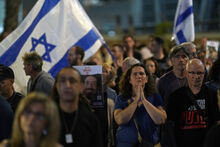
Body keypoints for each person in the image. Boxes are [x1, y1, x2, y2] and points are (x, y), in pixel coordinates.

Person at [166, 59, 220, 147]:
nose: (196, 76)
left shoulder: (212, 95)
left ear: (204, 74)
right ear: (186, 74)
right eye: (192, 73)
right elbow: (170, 125)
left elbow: (216, 122)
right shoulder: (176, 96)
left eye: (199, 73)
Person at [114, 63, 166, 147]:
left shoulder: (155, 97)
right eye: (135, 74)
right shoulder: (121, 98)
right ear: (129, 80)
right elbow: (120, 120)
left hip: (150, 144)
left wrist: (144, 100)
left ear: (147, 79)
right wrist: (135, 101)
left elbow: (161, 120)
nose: (138, 76)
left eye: (141, 73)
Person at [51, 67, 103, 147]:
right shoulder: (46, 117)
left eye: (72, 81)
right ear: (57, 85)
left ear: (81, 87)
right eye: (62, 81)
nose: (67, 85)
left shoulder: (91, 119)